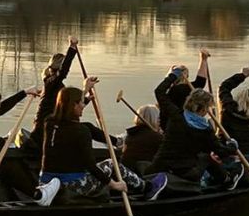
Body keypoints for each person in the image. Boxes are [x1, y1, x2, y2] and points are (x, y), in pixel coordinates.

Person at [36, 81, 166, 206]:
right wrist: (114, 184)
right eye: (81, 103)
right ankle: (147, 188)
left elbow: (68, 111)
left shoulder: (50, 122)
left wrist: (86, 94)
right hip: (71, 185)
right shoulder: (81, 132)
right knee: (112, 163)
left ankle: (116, 142)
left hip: (45, 181)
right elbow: (91, 166)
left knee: (87, 125)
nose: (83, 106)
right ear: (74, 105)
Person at [148, 68, 242, 189]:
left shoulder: (175, 114)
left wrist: (173, 75)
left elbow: (159, 92)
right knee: (206, 157)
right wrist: (233, 145)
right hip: (186, 173)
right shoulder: (205, 130)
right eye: (208, 108)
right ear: (203, 109)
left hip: (159, 166)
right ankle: (227, 180)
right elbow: (222, 151)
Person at [29, 36, 80, 146]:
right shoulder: (50, 83)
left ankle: (116, 142)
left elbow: (70, 105)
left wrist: (86, 94)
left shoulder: (57, 85)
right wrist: (72, 48)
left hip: (53, 127)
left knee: (85, 127)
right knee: (84, 128)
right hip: (43, 132)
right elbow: (62, 72)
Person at [159, 49, 211, 130]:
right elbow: (200, 82)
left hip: (166, 126)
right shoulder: (180, 89)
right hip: (180, 125)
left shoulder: (166, 90)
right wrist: (203, 60)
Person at [120, 103, 164, 172]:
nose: (159, 121)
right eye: (158, 118)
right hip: (140, 175)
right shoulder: (156, 138)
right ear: (153, 119)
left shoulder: (131, 135)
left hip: (126, 171)